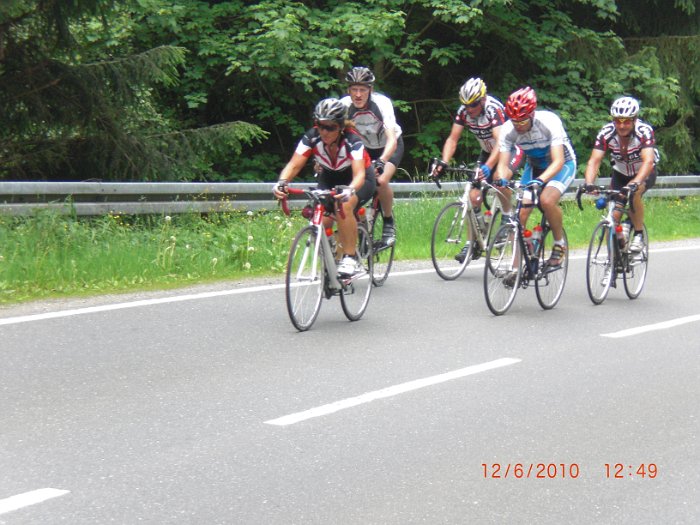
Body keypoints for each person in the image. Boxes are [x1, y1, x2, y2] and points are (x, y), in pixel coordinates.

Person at [272, 98, 377, 277]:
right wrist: (282, 182)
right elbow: (294, 164)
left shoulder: (352, 140)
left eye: (330, 127)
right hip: (329, 177)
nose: (324, 131)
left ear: (341, 126)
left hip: (359, 179)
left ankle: (350, 257)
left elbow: (359, 174)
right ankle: (331, 252)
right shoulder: (312, 137)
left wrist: (350, 190)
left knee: (343, 205)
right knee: (319, 216)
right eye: (320, 125)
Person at [430, 77, 523, 262]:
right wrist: (444, 162)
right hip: (487, 151)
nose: (469, 109)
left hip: (509, 149)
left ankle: (507, 215)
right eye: (466, 105)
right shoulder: (464, 111)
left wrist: (488, 167)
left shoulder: (492, 109)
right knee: (473, 196)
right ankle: (473, 242)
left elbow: (501, 143)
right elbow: (453, 139)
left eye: (473, 104)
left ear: (482, 99)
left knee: (499, 177)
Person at [496, 86, 577, 267]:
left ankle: (559, 243)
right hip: (534, 166)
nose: (518, 126)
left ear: (532, 114)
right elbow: (502, 164)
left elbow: (558, 161)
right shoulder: (508, 130)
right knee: (520, 216)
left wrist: (540, 181)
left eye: (522, 121)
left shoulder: (549, 122)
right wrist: (502, 178)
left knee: (546, 200)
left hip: (562, 165)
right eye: (515, 121)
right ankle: (515, 269)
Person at [583, 96, 658, 252]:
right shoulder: (606, 133)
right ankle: (616, 256)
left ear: (634, 120)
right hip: (620, 173)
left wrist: (635, 183)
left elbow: (648, 161)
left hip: (644, 172)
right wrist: (589, 183)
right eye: (618, 121)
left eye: (626, 121)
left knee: (634, 193)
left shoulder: (644, 131)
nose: (622, 125)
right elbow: (594, 161)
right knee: (613, 217)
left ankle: (638, 234)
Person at [340, 66, 403, 246]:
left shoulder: (381, 104)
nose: (358, 94)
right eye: (354, 89)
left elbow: (392, 139)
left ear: (371, 90)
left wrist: (382, 161)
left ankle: (388, 221)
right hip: (365, 148)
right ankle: (361, 229)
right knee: (352, 186)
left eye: (362, 90)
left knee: (380, 181)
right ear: (348, 90)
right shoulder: (344, 106)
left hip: (389, 146)